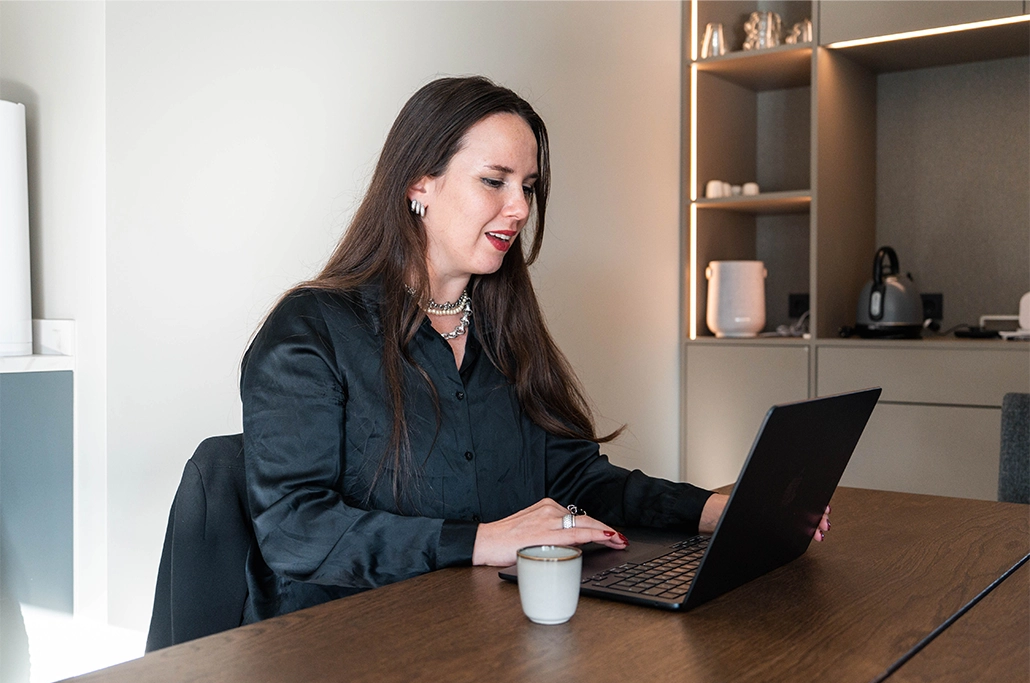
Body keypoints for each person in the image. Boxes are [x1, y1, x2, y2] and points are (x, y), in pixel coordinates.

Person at [240, 75, 830, 622]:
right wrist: (483, 540)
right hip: (351, 640)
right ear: (419, 182)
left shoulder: (502, 327)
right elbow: (294, 529)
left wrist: (714, 510)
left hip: (487, 629)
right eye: (493, 181)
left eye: (527, 187)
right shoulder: (311, 331)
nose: (520, 208)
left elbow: (575, 480)